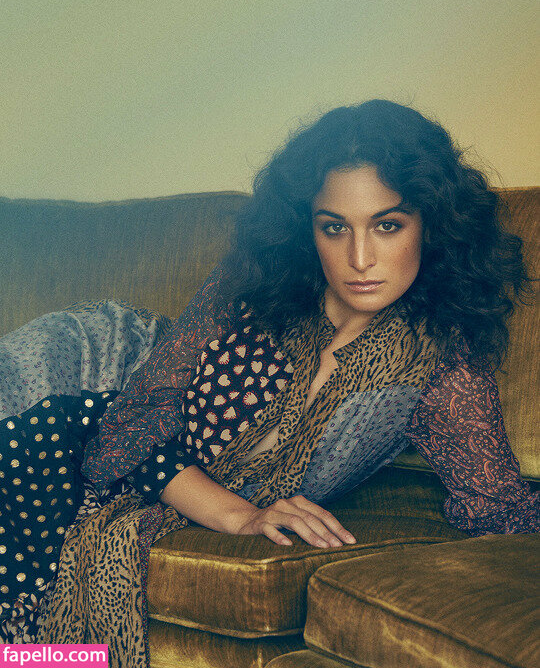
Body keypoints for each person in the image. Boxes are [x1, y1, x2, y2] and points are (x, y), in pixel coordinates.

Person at [2, 99, 538, 654]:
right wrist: (240, 516)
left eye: (387, 225)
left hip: (108, 450)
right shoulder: (258, 282)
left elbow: (499, 509)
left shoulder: (441, 366)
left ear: (431, 225)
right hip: (95, 371)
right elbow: (128, 426)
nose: (360, 259)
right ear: (309, 229)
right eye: (335, 228)